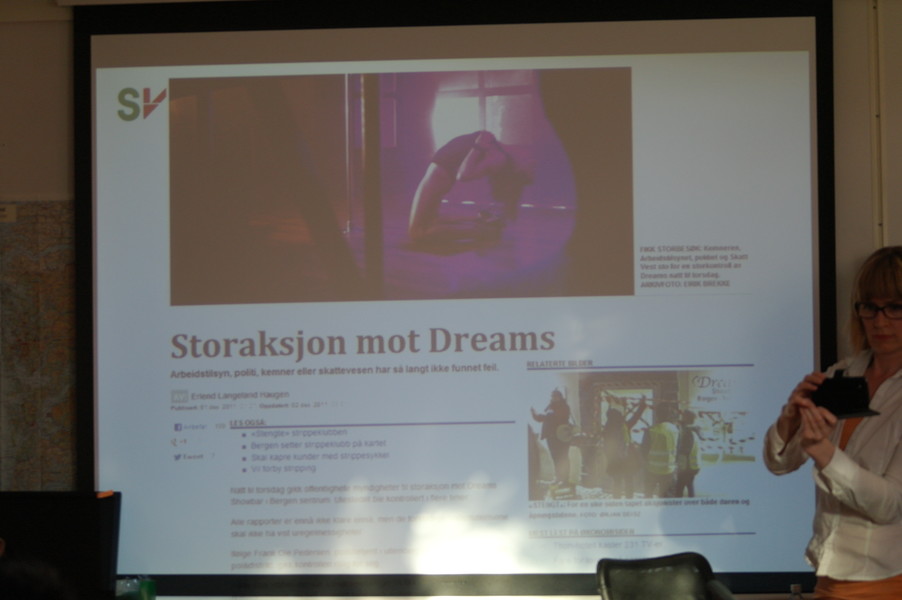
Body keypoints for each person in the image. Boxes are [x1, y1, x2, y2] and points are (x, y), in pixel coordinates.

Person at [763, 246, 902, 599]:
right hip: (829, 579)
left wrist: (824, 452)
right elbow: (779, 464)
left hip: (888, 583)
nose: (879, 321)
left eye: (895, 307)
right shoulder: (842, 373)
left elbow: (890, 506)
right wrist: (790, 419)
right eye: (869, 307)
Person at [408, 131, 534, 246]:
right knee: (433, 221)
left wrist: (478, 145)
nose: (527, 158)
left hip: (439, 175)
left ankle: (484, 232)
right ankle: (481, 222)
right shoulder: (494, 146)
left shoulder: (498, 156)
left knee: (417, 233)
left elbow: (463, 175)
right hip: (440, 174)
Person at [602, 395, 647, 498]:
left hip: (615, 460)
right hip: (627, 460)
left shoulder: (608, 428)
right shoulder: (624, 426)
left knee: (617, 482)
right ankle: (629, 501)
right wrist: (642, 405)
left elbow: (607, 447)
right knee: (628, 481)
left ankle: (617, 501)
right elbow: (635, 418)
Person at [531, 389, 572, 486]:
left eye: (555, 396)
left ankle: (565, 480)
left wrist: (539, 415)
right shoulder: (551, 407)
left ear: (560, 397)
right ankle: (559, 478)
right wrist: (534, 414)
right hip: (552, 437)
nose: (554, 398)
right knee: (555, 458)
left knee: (562, 458)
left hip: (561, 436)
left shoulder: (563, 406)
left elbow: (551, 417)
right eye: (553, 396)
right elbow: (543, 418)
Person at [642, 402, 679, 498]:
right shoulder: (676, 431)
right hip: (669, 470)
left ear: (657, 415)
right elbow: (679, 450)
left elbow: (644, 451)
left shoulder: (650, 430)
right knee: (666, 498)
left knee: (648, 496)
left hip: (652, 470)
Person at [673, 410, 702, 498]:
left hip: (687, 466)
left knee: (679, 488)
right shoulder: (694, 430)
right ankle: (692, 503)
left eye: (683, 416)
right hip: (693, 465)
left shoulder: (688, 433)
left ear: (686, 418)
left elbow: (685, 450)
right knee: (689, 486)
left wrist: (675, 451)